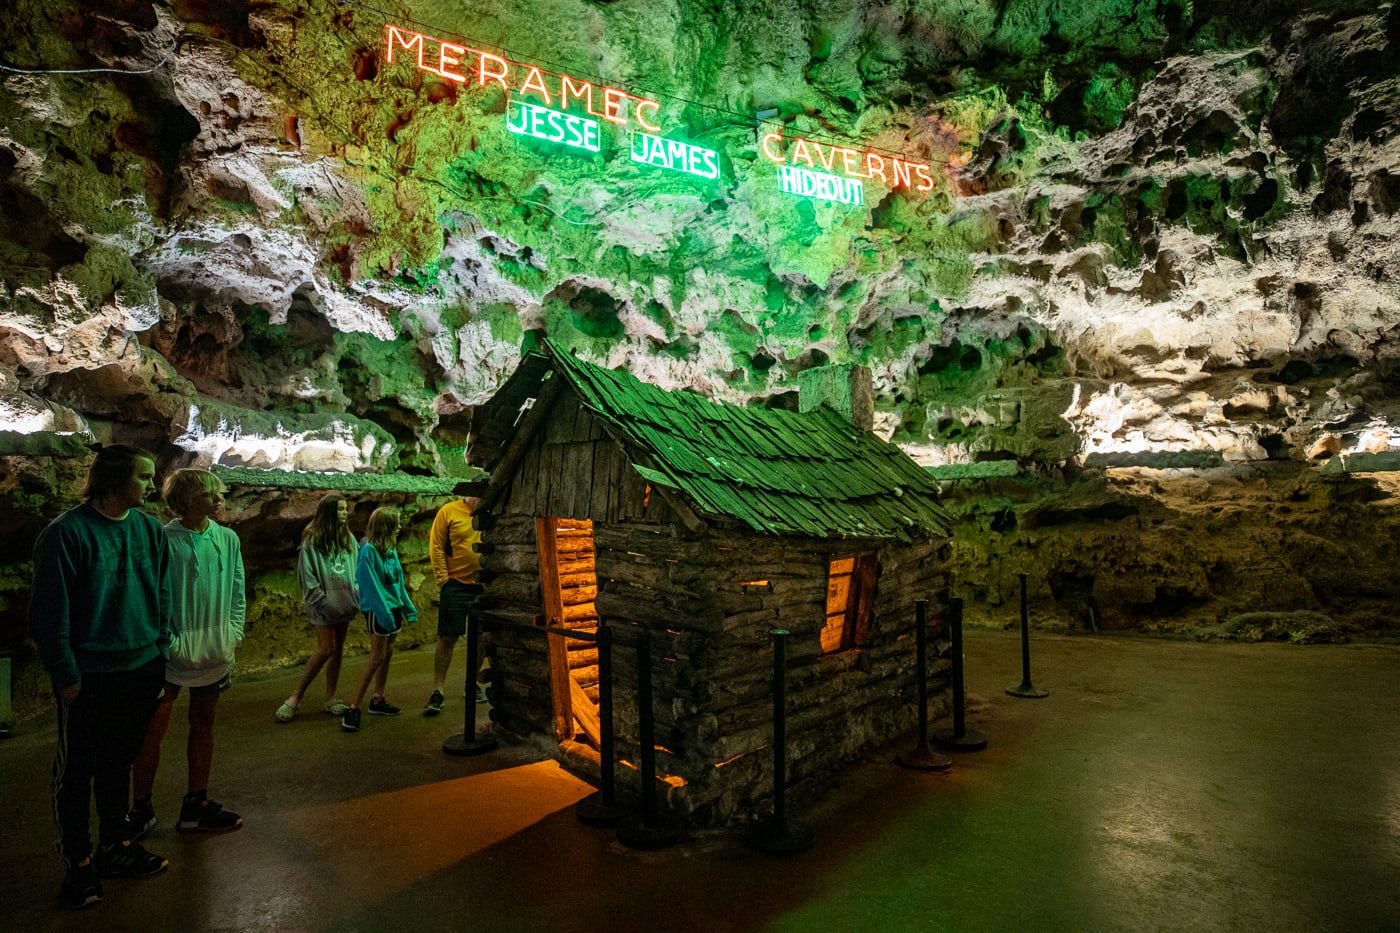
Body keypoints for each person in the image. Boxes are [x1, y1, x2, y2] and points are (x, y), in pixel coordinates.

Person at [29, 444, 173, 910]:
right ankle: (79, 865)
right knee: (77, 772)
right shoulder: (66, 535)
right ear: (115, 480)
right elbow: (51, 613)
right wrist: (66, 673)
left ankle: (114, 848)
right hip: (91, 675)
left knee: (117, 764)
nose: (152, 486)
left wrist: (161, 649)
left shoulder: (150, 530)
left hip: (140, 667)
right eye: (145, 477)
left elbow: (162, 592)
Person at [129, 469, 245, 840]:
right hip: (172, 655)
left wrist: (232, 634)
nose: (217, 500)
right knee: (151, 730)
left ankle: (196, 803)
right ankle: (141, 807)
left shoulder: (226, 539)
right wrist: (169, 643)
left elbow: (238, 590)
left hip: (214, 650)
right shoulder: (163, 540)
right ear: (186, 500)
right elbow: (152, 596)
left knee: (204, 723)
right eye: (208, 494)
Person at [276, 494, 359, 723]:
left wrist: (356, 593)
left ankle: (331, 697)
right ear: (329, 512)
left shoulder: (348, 538)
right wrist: (321, 600)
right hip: (324, 605)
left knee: (338, 649)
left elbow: (356, 567)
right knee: (325, 649)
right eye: (340, 509)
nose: (345, 513)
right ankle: (295, 697)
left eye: (345, 509)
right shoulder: (313, 539)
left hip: (344, 602)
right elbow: (307, 575)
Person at [342, 506, 417, 732]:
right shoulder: (369, 551)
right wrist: (383, 614)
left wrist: (408, 608)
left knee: (387, 654)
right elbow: (370, 586)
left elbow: (398, 583)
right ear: (386, 527)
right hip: (378, 610)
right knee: (376, 657)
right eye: (396, 523)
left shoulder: (390, 551)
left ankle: (378, 698)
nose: (400, 527)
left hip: (392, 608)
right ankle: (353, 707)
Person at [425, 481, 485, 716]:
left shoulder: (488, 514)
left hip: (482, 586)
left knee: (481, 638)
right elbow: (436, 545)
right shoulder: (448, 512)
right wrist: (443, 580)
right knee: (448, 636)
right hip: (456, 585)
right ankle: (438, 688)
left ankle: (471, 684)